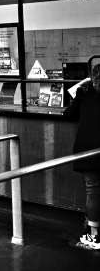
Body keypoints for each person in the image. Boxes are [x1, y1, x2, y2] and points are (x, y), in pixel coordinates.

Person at [63, 64, 100, 250]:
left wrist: (79, 91)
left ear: (92, 78)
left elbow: (68, 114)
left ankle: (95, 236)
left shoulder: (84, 94)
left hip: (89, 150)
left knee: (93, 191)